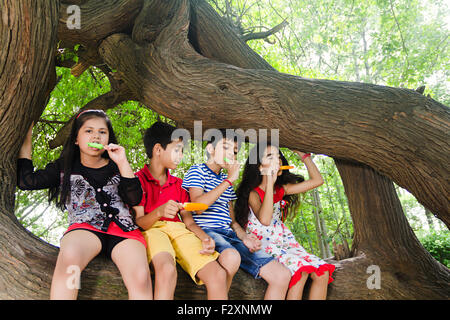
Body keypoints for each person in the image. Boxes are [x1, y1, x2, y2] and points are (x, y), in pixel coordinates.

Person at [17, 109, 152, 300]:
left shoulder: (117, 165)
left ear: (108, 138)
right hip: (85, 228)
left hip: (124, 232)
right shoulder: (63, 167)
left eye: (102, 132)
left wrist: (122, 162)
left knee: (141, 278)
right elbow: (26, 181)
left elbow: (135, 199)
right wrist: (27, 137)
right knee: (70, 258)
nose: (96, 135)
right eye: (88, 131)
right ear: (76, 139)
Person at [182, 130, 291, 299]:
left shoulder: (226, 181)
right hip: (206, 231)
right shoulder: (197, 170)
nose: (231, 155)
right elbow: (198, 207)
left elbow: (232, 222)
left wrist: (245, 237)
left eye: (234, 152)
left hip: (230, 235)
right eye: (225, 147)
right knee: (232, 258)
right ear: (210, 149)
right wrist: (229, 180)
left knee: (282, 276)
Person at [133, 121, 228, 299]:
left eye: (182, 151)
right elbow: (140, 223)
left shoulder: (178, 185)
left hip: (180, 231)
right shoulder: (137, 180)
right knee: (167, 270)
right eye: (177, 149)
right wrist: (159, 212)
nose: (181, 156)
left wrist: (205, 238)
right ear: (158, 150)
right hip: (153, 231)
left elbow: (189, 222)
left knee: (218, 275)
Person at [235, 142, 335, 300]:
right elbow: (265, 220)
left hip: (284, 241)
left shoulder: (281, 189)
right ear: (259, 166)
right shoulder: (254, 194)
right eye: (270, 157)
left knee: (322, 272)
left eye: (278, 157)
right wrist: (269, 180)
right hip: (263, 244)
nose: (278, 161)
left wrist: (303, 155)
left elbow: (317, 181)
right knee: (300, 272)